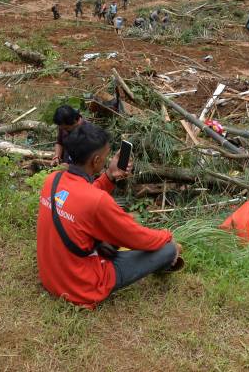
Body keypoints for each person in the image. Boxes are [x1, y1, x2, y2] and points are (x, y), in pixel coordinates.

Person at [37, 122, 181, 308]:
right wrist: (167, 236)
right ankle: (167, 260)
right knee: (167, 249)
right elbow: (138, 238)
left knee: (111, 236)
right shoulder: (97, 201)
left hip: (51, 277)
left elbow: (79, 198)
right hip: (79, 286)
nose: (106, 160)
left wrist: (110, 175)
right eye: (105, 157)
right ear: (96, 161)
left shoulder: (53, 180)